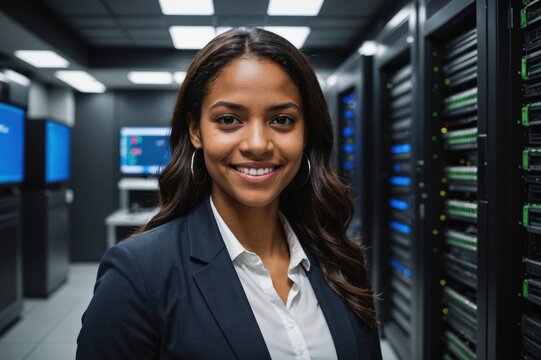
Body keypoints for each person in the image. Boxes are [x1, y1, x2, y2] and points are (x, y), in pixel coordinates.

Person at [76, 27, 381, 360]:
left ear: (306, 132)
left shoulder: (339, 260)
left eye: (281, 119)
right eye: (228, 119)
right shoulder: (138, 276)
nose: (257, 145)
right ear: (196, 131)